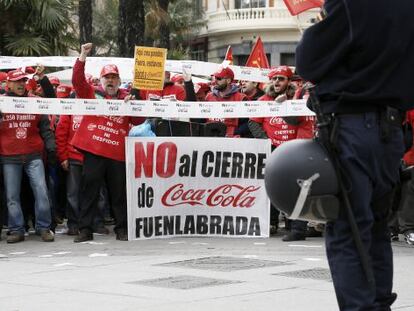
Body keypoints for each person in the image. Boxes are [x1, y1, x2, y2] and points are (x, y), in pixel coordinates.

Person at [295, 0, 414, 310]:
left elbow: (308, 62)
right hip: (390, 128)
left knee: (348, 229)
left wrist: (314, 31)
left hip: (351, 126)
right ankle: (378, 304)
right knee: (375, 228)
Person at [71, 43, 144, 242]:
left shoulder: (128, 97)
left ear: (119, 81)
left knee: (119, 194)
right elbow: (77, 81)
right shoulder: (91, 93)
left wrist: (136, 102)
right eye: (107, 78)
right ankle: (85, 230)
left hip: (116, 154)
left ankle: (122, 229)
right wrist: (83, 56)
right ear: (101, 80)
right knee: (89, 192)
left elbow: (139, 120)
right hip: (94, 152)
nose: (110, 81)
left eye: (114, 78)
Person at [249, 66, 314, 240]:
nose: (277, 82)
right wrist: (267, 142)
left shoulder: (299, 95)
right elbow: (253, 122)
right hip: (281, 148)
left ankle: (299, 226)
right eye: (274, 78)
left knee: (302, 188)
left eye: (281, 78)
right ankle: (282, 224)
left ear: (289, 81)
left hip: (300, 147)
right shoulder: (267, 99)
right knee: (278, 186)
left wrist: (285, 106)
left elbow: (299, 121)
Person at [0, 69, 56, 243]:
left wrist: (51, 148)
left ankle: (43, 227)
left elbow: (46, 128)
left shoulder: (35, 101)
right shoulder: (1, 102)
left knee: (42, 191)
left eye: (23, 81)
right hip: (9, 156)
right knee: (12, 196)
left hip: (33, 155)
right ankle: (16, 229)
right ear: (7, 84)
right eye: (16, 81)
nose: (20, 84)